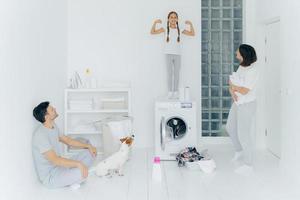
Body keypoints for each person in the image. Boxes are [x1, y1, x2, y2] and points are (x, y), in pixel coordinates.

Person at [32, 101, 97, 189]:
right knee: (80, 172)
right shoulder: (40, 135)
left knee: (90, 153)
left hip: (61, 167)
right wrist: (78, 164)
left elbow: (68, 141)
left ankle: (74, 177)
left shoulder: (53, 126)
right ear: (46, 116)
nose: (54, 109)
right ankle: (76, 177)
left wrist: (88, 146)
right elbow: (55, 160)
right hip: (51, 176)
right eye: (52, 109)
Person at [226, 44, 259, 174]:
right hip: (237, 102)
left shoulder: (253, 70)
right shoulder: (241, 66)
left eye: (238, 52)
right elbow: (232, 82)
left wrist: (234, 87)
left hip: (247, 104)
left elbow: (245, 90)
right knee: (230, 127)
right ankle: (239, 151)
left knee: (244, 133)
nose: (236, 53)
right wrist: (232, 90)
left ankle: (248, 164)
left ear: (244, 55)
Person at [150, 11, 195, 99]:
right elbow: (152, 32)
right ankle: (170, 92)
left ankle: (176, 92)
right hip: (168, 54)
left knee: (177, 73)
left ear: (177, 19)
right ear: (168, 19)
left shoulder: (180, 29)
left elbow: (192, 34)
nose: (173, 19)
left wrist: (190, 24)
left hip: (177, 54)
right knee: (170, 73)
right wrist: (155, 23)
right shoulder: (165, 29)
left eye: (175, 17)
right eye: (171, 17)